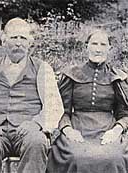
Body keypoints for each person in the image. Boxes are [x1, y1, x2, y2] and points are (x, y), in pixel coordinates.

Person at [0, 17, 63, 173]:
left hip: (27, 132)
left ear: (30, 42)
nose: (18, 42)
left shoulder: (42, 68)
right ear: (4, 41)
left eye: (23, 38)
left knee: (37, 141)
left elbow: (54, 106)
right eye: (13, 37)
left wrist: (37, 123)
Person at [47, 29, 128, 173]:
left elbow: (124, 113)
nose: (98, 49)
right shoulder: (72, 74)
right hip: (78, 127)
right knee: (76, 156)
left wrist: (116, 130)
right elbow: (61, 110)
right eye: (94, 43)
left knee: (114, 157)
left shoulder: (117, 77)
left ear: (109, 48)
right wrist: (68, 130)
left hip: (107, 130)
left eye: (103, 45)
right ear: (87, 47)